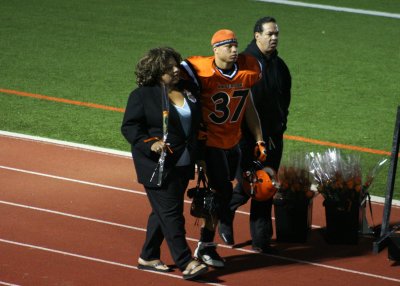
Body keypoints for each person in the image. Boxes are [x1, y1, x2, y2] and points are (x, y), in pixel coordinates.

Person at [181, 29, 267, 268]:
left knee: (231, 191)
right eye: (228, 46)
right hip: (211, 143)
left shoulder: (248, 70)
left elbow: (248, 105)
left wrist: (259, 138)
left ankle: (207, 242)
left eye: (235, 45)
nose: (234, 50)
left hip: (234, 142)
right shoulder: (199, 70)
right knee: (220, 195)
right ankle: (205, 245)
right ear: (215, 49)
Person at [121, 47, 208, 280]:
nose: (175, 69)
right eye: (169, 66)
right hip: (156, 167)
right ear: (157, 70)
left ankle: (148, 256)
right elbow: (130, 127)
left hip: (184, 162)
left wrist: (199, 156)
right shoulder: (141, 95)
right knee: (172, 215)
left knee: (162, 212)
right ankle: (186, 261)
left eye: (176, 65)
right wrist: (150, 143)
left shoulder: (187, 91)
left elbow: (194, 127)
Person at [219, 17, 292, 253]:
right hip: (245, 137)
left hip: (273, 137)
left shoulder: (280, 66)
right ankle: (225, 211)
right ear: (256, 35)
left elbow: (285, 98)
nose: (274, 38)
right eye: (269, 34)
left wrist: (281, 124)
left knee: (267, 186)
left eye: (276, 34)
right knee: (247, 184)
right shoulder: (243, 64)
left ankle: (261, 240)